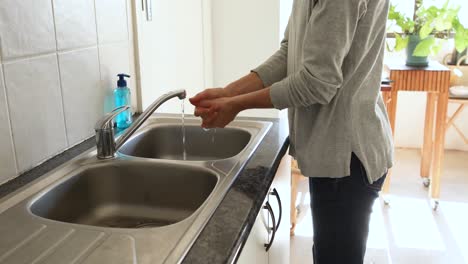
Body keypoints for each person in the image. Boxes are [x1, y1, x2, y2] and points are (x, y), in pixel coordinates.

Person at [190, 0, 394, 263]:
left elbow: (317, 83)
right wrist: (229, 93)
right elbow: (290, 53)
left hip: (348, 158)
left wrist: (236, 104)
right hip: (336, 154)